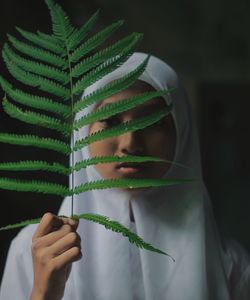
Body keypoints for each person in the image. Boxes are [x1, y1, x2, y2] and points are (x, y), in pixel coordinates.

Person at [0, 52, 250, 300]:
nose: (130, 143)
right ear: (83, 131)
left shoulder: (229, 264)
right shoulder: (36, 251)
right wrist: (44, 292)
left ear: (181, 132)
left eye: (152, 122)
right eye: (110, 121)